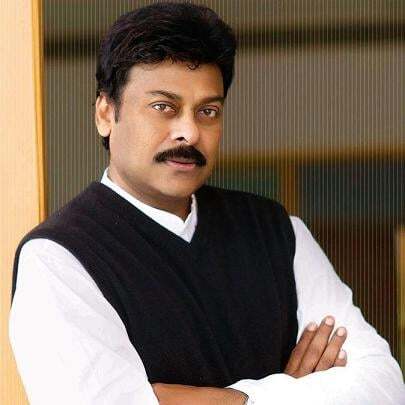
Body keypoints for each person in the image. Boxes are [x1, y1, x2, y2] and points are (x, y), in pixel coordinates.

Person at [9, 2, 405, 404]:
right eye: (164, 107)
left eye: (208, 111)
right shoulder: (60, 257)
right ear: (105, 113)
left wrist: (237, 399)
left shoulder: (277, 232)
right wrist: (297, 391)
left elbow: (386, 386)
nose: (189, 132)